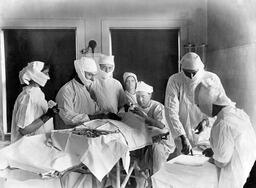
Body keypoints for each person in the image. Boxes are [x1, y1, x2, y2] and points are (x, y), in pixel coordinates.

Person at [194, 78, 256, 188]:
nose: (200, 109)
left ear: (207, 103)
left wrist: (214, 156)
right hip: (249, 169)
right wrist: (215, 150)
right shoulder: (238, 113)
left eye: (199, 105)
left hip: (235, 177)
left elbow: (222, 162)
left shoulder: (223, 124)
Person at [164, 52, 225, 155]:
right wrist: (182, 136)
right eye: (187, 73)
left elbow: (219, 107)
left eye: (194, 72)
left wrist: (206, 122)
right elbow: (170, 110)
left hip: (207, 129)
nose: (191, 76)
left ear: (200, 69)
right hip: (182, 127)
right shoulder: (175, 80)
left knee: (205, 159)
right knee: (185, 161)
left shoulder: (212, 78)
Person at [55, 57, 112, 129]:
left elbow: (93, 109)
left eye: (94, 75)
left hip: (86, 130)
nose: (93, 79)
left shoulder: (86, 88)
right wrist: (96, 117)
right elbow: (68, 117)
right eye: (89, 75)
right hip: (70, 133)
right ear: (80, 72)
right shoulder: (66, 91)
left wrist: (106, 114)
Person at [132, 81, 175, 173]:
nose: (140, 99)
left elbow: (161, 126)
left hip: (161, 140)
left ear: (150, 95)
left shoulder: (158, 107)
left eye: (143, 96)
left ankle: (158, 179)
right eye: (137, 96)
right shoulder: (135, 107)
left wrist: (145, 117)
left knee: (156, 149)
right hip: (141, 139)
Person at [11, 61, 58, 143]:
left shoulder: (37, 92)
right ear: (35, 75)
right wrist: (47, 115)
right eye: (45, 73)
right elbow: (24, 130)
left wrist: (48, 108)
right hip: (30, 148)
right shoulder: (28, 96)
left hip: (39, 145)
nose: (48, 77)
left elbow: (35, 115)